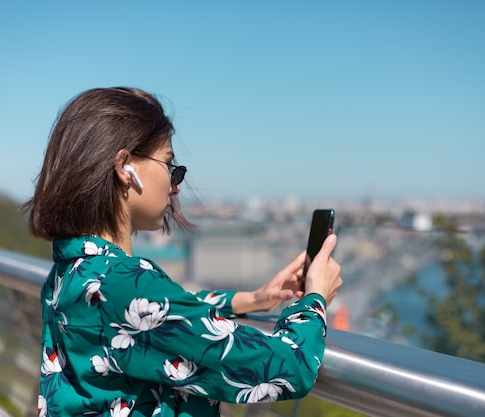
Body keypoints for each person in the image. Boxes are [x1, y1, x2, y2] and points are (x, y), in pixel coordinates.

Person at [25, 87, 342, 417]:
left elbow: (161, 312)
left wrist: (252, 300)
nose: (176, 184)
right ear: (124, 167)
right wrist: (314, 299)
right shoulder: (122, 284)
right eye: (169, 164)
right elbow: (287, 367)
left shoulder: (72, 270)